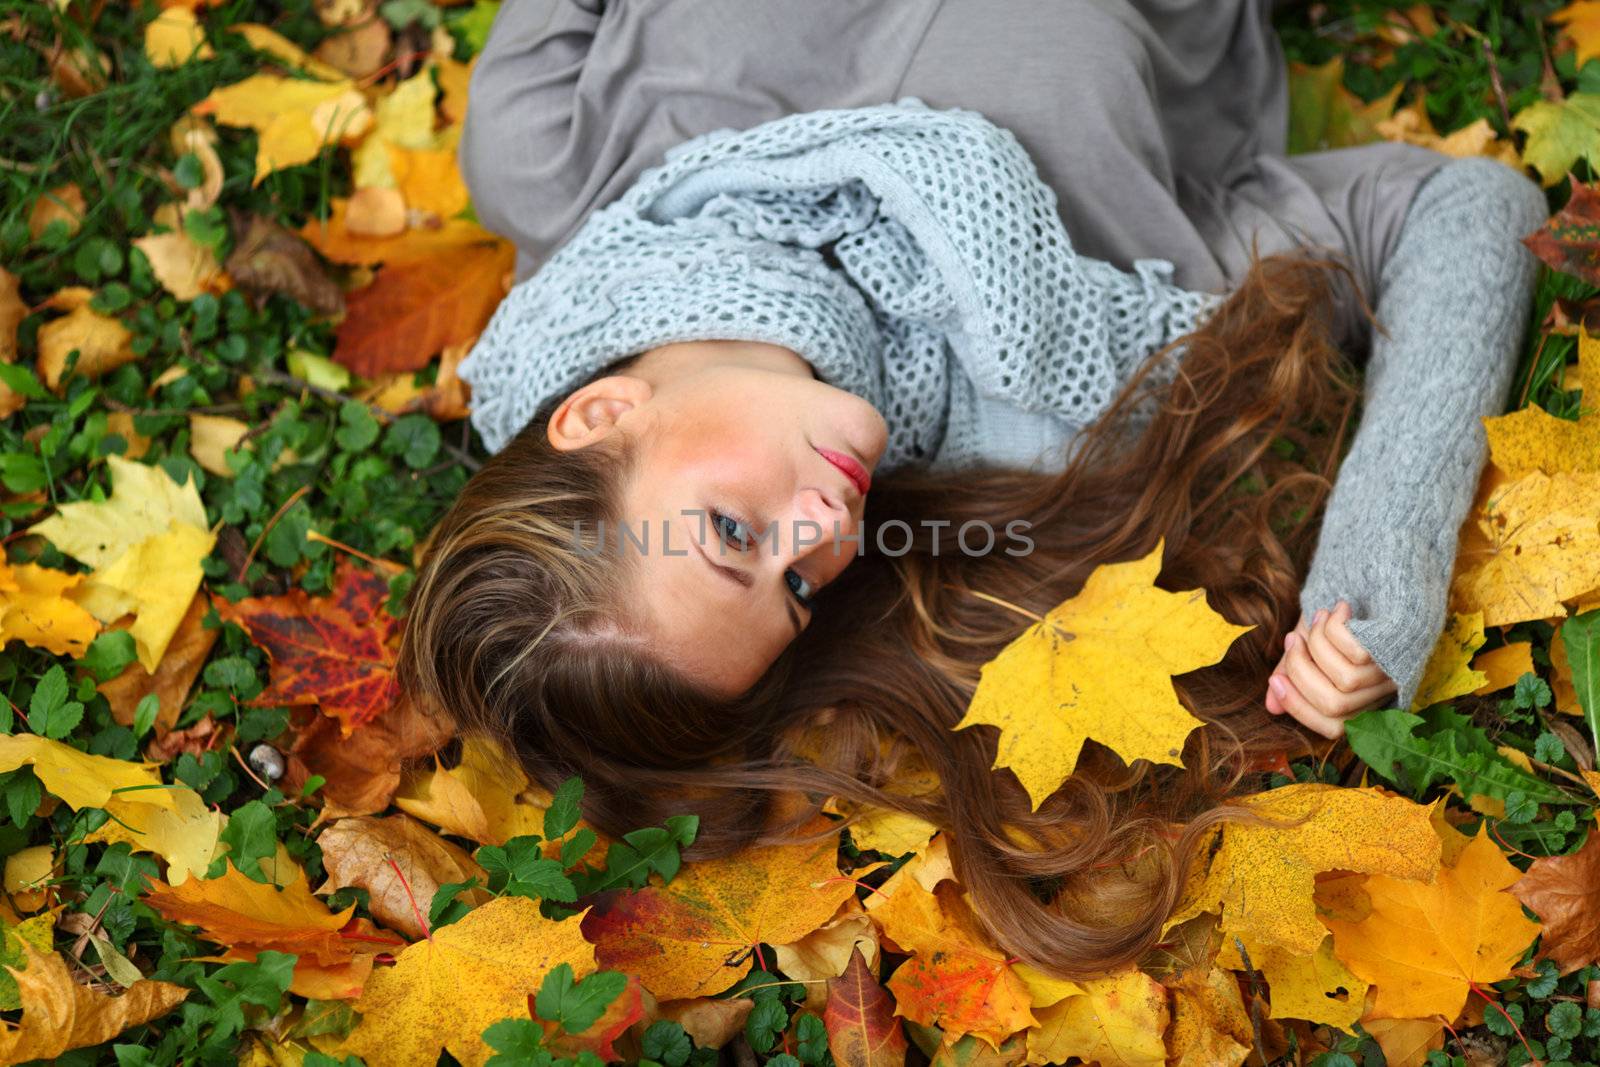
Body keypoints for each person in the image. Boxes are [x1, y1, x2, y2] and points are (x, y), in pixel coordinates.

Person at [396, 0, 1547, 976]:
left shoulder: (548, 156)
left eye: (730, 530)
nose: (823, 529)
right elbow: (1460, 213)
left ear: (601, 417)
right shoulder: (1090, 369)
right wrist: (1377, 561)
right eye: (796, 587)